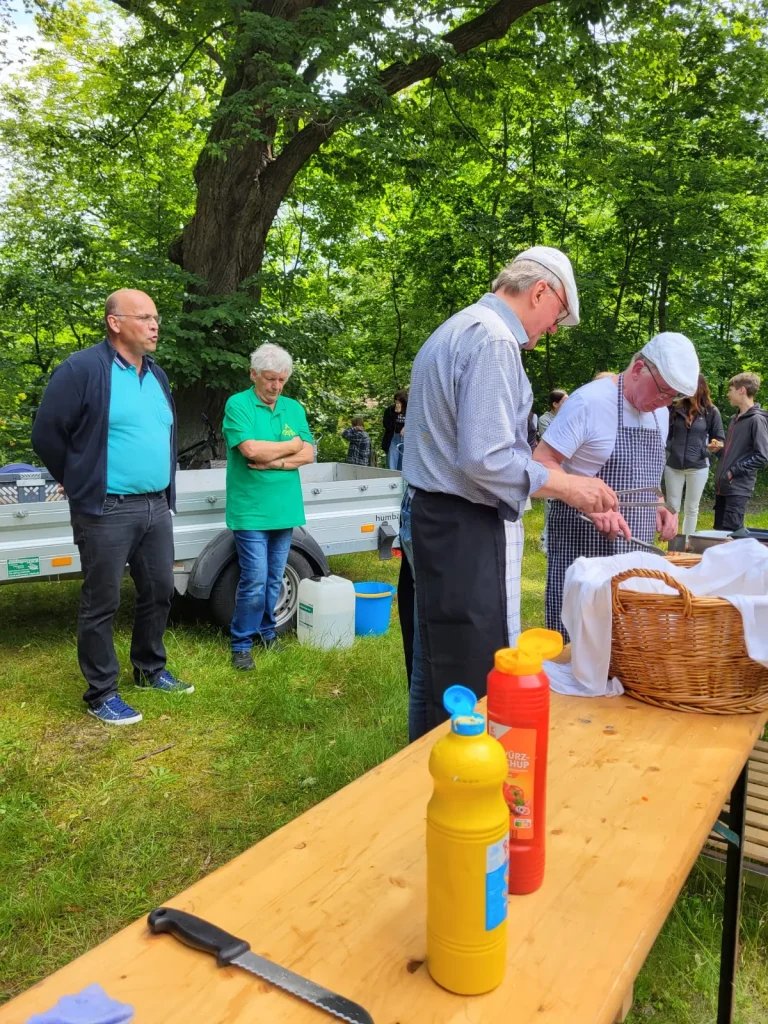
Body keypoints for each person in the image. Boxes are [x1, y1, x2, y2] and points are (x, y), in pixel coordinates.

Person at [401, 246, 618, 739]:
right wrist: (567, 486)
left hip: (433, 513)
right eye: (559, 315)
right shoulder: (495, 340)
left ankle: (422, 766)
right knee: (472, 661)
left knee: (433, 656)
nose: (554, 330)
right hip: (459, 522)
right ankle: (468, 770)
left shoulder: (458, 326)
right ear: (540, 291)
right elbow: (487, 457)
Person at [31, 289, 191, 726]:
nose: (155, 325)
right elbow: (46, 434)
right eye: (145, 317)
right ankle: (102, 691)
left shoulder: (156, 375)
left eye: (156, 317)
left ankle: (149, 668)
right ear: (115, 322)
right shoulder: (82, 370)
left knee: (159, 590)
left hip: (156, 507)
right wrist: (77, 475)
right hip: (106, 508)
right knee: (101, 601)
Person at [534, 333, 699, 642]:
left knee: (628, 645)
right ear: (638, 369)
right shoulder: (589, 402)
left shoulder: (660, 414)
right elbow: (540, 464)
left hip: (634, 555)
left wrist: (659, 503)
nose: (665, 403)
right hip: (581, 547)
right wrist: (585, 500)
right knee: (578, 643)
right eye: (663, 391)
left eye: (673, 396)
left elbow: (645, 473)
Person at [222, 343, 314, 670]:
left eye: (281, 380)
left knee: (274, 578)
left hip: (285, 509)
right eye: (270, 379)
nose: (276, 387)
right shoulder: (238, 405)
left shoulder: (293, 408)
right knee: (255, 579)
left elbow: (309, 453)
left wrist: (277, 463)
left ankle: (266, 633)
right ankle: (241, 643)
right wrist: (290, 446)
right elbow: (250, 450)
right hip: (250, 511)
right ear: (254, 375)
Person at [664, 374, 724, 536]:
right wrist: (672, 448)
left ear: (699, 388)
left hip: (698, 466)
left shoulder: (711, 412)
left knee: (691, 508)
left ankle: (687, 543)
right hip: (673, 465)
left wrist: (710, 448)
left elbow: (719, 438)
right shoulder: (674, 409)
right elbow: (665, 435)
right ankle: (673, 543)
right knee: (672, 506)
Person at [713, 372, 768, 532]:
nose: (728, 394)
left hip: (738, 489)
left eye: (730, 390)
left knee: (732, 538)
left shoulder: (756, 420)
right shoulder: (734, 419)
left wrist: (732, 472)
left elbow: (762, 457)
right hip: (723, 488)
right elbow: (735, 453)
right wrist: (719, 451)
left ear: (741, 390)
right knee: (719, 535)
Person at [382, 390, 408, 471]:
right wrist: (395, 414)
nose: (397, 402)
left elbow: (414, 422)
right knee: (391, 463)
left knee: (403, 463)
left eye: (399, 400)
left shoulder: (409, 410)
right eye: (396, 400)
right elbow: (386, 424)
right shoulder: (390, 410)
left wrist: (406, 428)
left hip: (405, 438)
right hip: (393, 438)